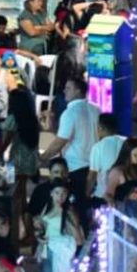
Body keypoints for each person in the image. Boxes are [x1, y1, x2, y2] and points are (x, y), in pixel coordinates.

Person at [45, 79, 100, 216]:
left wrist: (43, 157)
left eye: (68, 88)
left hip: (75, 167)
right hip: (94, 166)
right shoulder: (96, 110)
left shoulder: (70, 112)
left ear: (78, 91)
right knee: (87, 207)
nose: (64, 91)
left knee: (74, 209)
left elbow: (60, 142)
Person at [37, 179, 83, 272]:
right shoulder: (47, 208)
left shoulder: (68, 211)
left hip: (61, 251)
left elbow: (78, 237)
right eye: (57, 193)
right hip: (47, 250)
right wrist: (39, 238)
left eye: (63, 194)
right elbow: (41, 228)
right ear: (51, 193)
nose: (60, 197)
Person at [3, 88, 41, 250]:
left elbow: (6, 140)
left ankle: (18, 234)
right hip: (30, 161)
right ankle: (28, 232)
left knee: (14, 197)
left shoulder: (13, 119)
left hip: (15, 161)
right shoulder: (32, 119)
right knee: (22, 196)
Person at [105, 138, 137, 218]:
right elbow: (108, 194)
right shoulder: (116, 172)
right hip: (124, 213)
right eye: (135, 155)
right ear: (127, 154)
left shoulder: (136, 168)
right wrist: (111, 203)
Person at [87, 112, 127, 202]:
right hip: (126, 194)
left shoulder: (98, 147)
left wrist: (87, 195)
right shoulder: (128, 142)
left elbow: (92, 176)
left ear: (101, 128)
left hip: (103, 196)